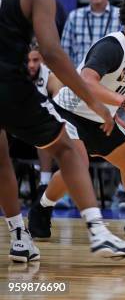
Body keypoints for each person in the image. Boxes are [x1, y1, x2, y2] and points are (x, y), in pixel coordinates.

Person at [0, 0, 125, 259]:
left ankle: (19, 238)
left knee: (2, 160)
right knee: (71, 149)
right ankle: (99, 231)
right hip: (9, 85)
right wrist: (96, 101)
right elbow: (52, 53)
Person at [28, 0, 125, 238]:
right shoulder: (112, 46)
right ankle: (41, 209)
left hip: (99, 116)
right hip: (70, 112)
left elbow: (110, 86)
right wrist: (124, 104)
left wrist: (113, 109)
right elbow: (86, 81)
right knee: (78, 164)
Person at [61, 0, 122, 66]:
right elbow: (65, 52)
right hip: (79, 77)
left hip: (110, 77)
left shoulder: (120, 16)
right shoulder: (74, 17)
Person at [27, 43, 63, 198]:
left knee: (44, 128)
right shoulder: (13, 75)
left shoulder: (51, 77)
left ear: (42, 60)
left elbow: (60, 107)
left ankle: (44, 183)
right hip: (16, 129)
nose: (31, 65)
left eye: (35, 60)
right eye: (27, 61)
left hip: (38, 130)